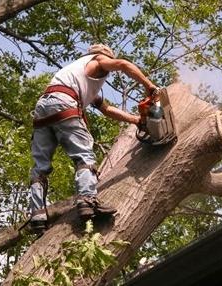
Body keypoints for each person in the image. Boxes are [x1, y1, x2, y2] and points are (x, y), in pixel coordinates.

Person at [29, 44, 158, 233]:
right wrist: (150, 86)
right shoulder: (97, 60)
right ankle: (88, 200)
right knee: (84, 157)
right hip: (63, 102)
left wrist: (136, 120)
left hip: (43, 108)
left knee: (40, 168)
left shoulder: (78, 77)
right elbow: (123, 64)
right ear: (102, 55)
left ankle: (37, 217)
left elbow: (106, 109)